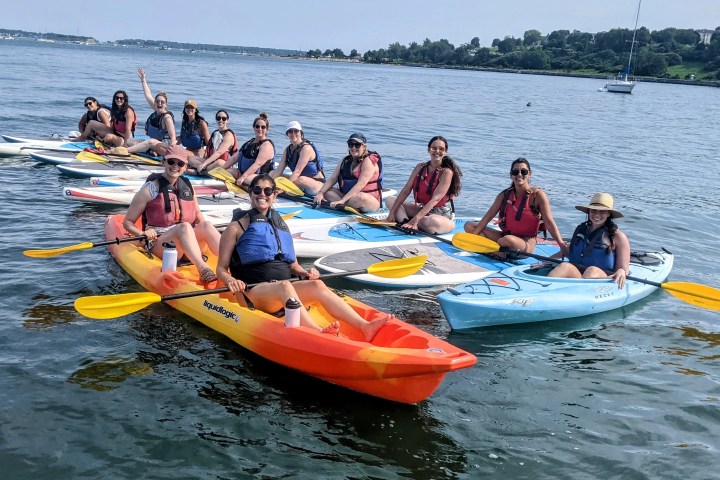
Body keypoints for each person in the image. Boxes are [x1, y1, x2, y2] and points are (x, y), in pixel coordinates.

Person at [216, 174, 390, 340]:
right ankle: (316, 333)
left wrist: (306, 273)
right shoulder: (235, 227)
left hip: (285, 290)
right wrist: (231, 280)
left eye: (268, 191)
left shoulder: (280, 226)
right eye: (257, 190)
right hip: (253, 293)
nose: (262, 194)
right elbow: (221, 268)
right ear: (250, 193)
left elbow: (293, 265)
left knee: (317, 284)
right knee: (285, 286)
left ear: (274, 195)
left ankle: (364, 326)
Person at [122, 145, 221, 284]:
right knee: (185, 227)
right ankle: (202, 268)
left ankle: (233, 263)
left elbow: (197, 213)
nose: (175, 166)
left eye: (180, 163)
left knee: (207, 225)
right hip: (161, 245)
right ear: (163, 162)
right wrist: (141, 234)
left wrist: (201, 233)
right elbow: (127, 222)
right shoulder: (150, 189)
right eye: (171, 161)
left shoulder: (187, 185)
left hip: (186, 243)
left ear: (185, 166)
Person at [464, 157, 568, 256]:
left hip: (525, 242)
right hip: (505, 236)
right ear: (511, 175)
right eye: (515, 172)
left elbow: (549, 223)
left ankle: (495, 251)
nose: (519, 174)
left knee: (507, 240)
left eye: (524, 171)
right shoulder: (504, 195)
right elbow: (487, 217)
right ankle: (497, 252)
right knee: (469, 226)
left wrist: (561, 244)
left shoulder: (538, 196)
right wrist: (473, 236)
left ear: (529, 174)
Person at [547, 193, 631, 288]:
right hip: (578, 275)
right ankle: (544, 291)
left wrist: (622, 271)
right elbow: (569, 250)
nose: (597, 215)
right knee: (564, 266)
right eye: (593, 211)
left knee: (591, 271)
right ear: (589, 211)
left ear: (608, 214)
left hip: (602, 278)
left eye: (602, 212)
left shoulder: (618, 237)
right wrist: (548, 261)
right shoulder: (581, 229)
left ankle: (579, 293)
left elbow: (623, 268)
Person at [385, 136, 461, 233]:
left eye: (441, 149)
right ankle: (406, 222)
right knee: (390, 200)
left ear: (445, 151)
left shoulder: (446, 172)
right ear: (428, 149)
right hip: (423, 210)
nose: (437, 151)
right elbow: (406, 190)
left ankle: (410, 222)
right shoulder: (420, 167)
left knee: (432, 221)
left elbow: (436, 199)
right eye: (434, 148)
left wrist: (416, 219)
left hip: (440, 216)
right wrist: (391, 213)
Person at [313, 132, 379, 212]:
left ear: (364, 147)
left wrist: (343, 200)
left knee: (361, 197)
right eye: (351, 144)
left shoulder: (368, 161)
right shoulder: (344, 160)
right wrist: (320, 193)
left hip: (369, 200)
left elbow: (360, 184)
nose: (353, 148)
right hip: (350, 197)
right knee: (327, 192)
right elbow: (333, 178)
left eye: (357, 145)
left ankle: (343, 205)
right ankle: (349, 207)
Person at [120, 68, 176, 156]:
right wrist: (143, 80)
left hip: (164, 146)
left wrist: (172, 153)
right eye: (157, 101)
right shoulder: (156, 109)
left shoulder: (167, 117)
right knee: (130, 140)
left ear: (166, 104)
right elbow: (148, 94)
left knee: (150, 141)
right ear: (155, 102)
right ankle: (150, 151)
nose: (159, 103)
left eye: (162, 102)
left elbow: (173, 137)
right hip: (154, 144)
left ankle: (125, 151)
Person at [274, 121, 324, 195]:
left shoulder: (306, 148)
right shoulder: (288, 149)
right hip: (299, 181)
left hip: (316, 184)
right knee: (273, 173)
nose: (293, 134)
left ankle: (286, 190)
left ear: (301, 133)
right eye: (290, 131)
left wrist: (283, 189)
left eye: (296, 131)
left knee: (301, 179)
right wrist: (269, 184)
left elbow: (297, 172)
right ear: (287, 134)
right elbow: (279, 170)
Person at [224, 112, 274, 186]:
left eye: (263, 127)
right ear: (254, 127)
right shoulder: (249, 143)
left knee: (247, 179)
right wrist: (221, 169)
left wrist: (243, 177)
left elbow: (258, 164)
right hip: (244, 173)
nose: (260, 129)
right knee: (226, 172)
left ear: (266, 129)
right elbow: (234, 158)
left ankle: (249, 187)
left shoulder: (266, 145)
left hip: (261, 177)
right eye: (257, 126)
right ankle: (240, 183)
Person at [72, 90, 137, 146]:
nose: (119, 100)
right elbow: (81, 123)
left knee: (109, 137)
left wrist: (126, 145)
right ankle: (83, 137)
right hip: (115, 133)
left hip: (125, 138)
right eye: (117, 98)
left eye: (121, 98)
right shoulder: (115, 110)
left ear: (125, 99)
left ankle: (103, 140)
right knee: (91, 123)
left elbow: (128, 129)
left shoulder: (128, 111)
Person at [188, 109, 238, 174]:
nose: (221, 120)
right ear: (216, 119)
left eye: (224, 118)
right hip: (212, 162)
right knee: (191, 159)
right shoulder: (215, 133)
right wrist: (204, 161)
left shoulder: (228, 135)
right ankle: (205, 171)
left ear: (227, 120)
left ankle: (200, 172)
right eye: (218, 118)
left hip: (226, 165)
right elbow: (209, 150)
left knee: (219, 163)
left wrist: (204, 164)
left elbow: (219, 153)